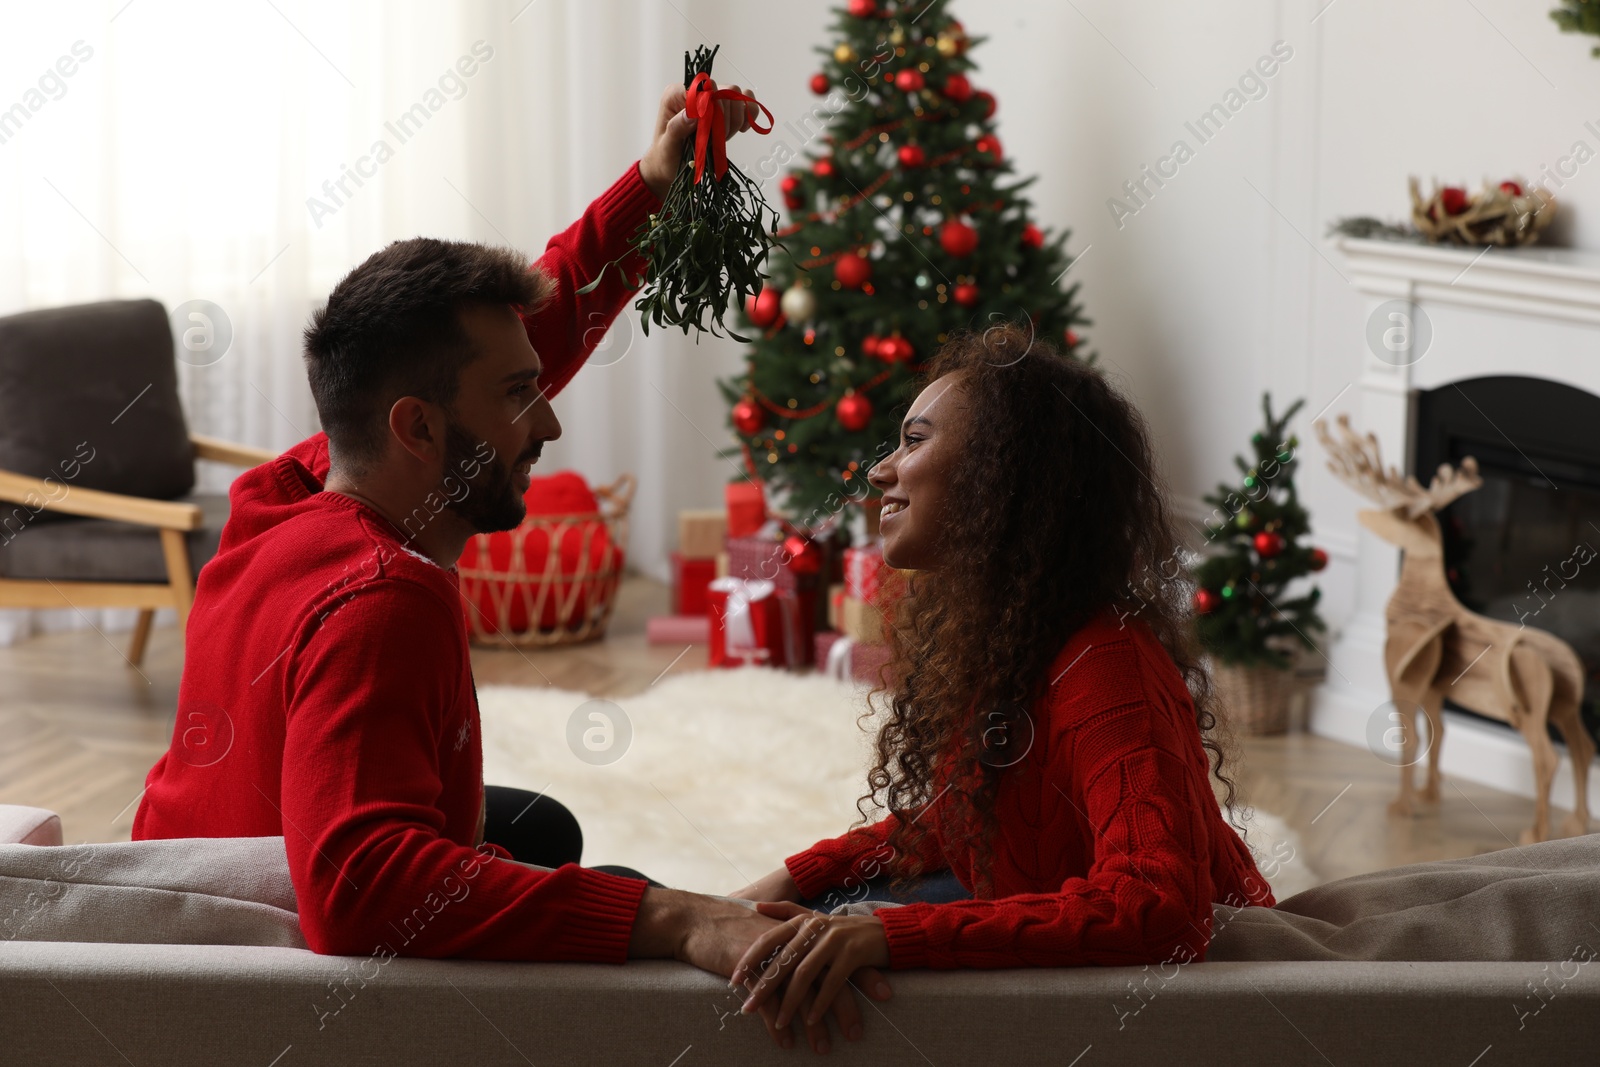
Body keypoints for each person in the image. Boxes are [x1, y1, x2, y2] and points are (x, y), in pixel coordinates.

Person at [132, 81, 886, 1053]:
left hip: (181, 870)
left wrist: (649, 189)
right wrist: (675, 913)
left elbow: (510, 348)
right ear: (414, 426)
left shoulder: (276, 504)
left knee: (541, 831)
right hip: (262, 984)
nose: (552, 419)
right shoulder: (384, 597)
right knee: (594, 878)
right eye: (521, 395)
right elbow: (362, 884)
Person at [730, 324, 1278, 1032]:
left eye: (915, 440)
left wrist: (892, 933)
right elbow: (966, 822)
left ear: (1003, 472)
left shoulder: (1106, 664)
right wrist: (797, 875)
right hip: (1043, 904)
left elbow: (1158, 908)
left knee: (830, 947)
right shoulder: (1009, 638)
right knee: (800, 923)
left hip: (1180, 1011)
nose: (880, 470)